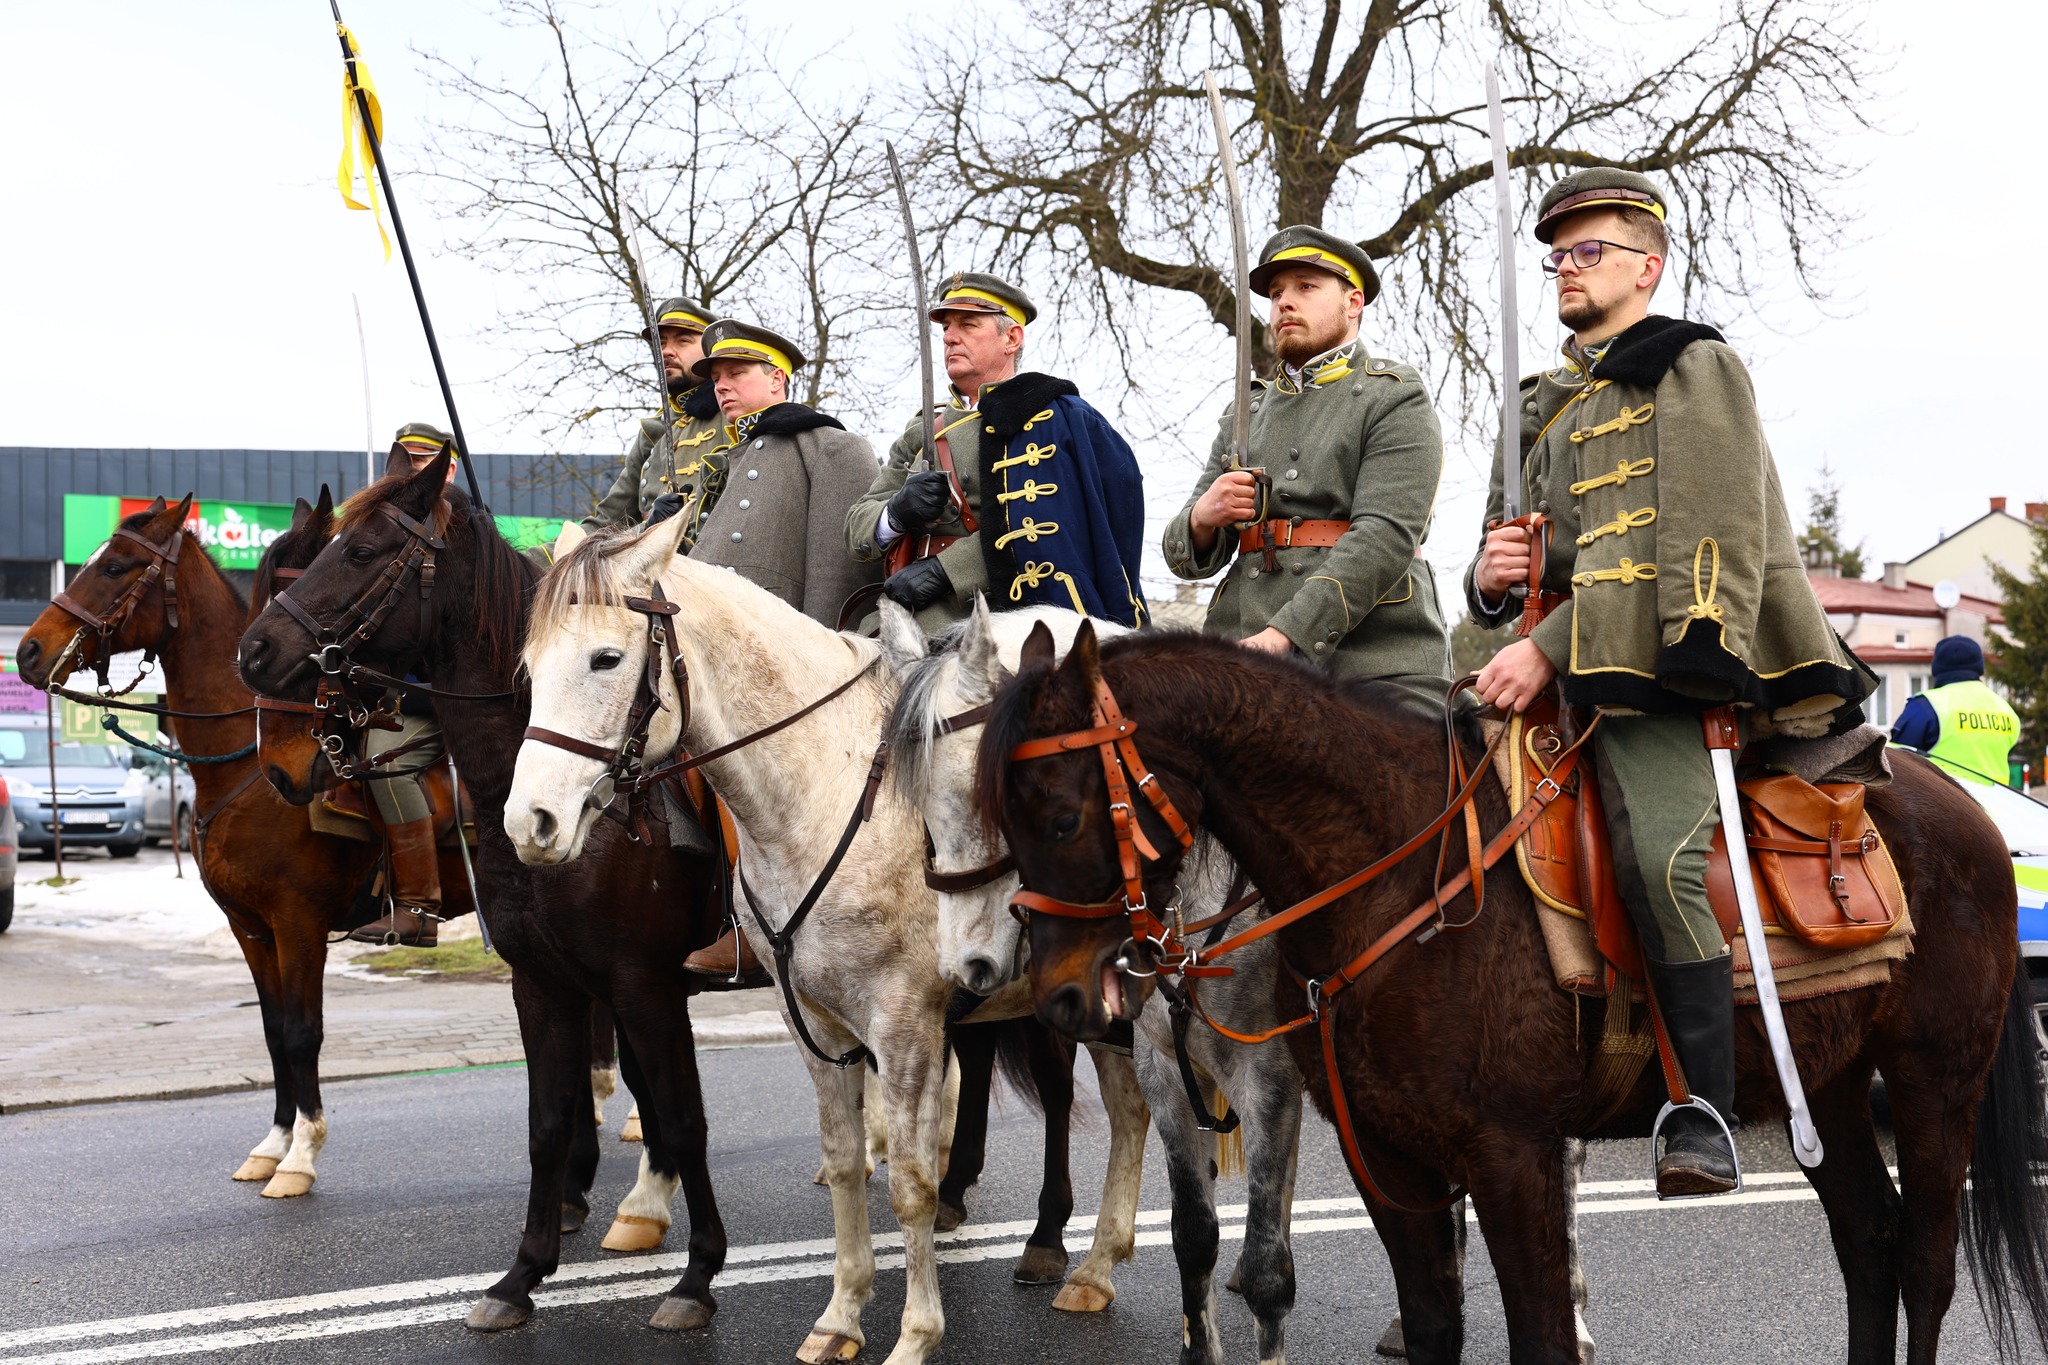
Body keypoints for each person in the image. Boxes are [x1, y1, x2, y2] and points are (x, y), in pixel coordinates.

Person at [1466, 168, 1874, 1196]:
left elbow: (1689, 539)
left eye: (1587, 250)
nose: (1566, 267)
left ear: (1645, 265)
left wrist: (1548, 646)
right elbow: (1498, 553)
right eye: (1555, 254)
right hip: (1541, 662)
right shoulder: (1539, 402)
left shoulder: (1690, 367)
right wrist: (1484, 579)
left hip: (1656, 669)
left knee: (1657, 858)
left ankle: (1697, 1105)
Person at [1160, 227, 1452, 705]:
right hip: (1240, 640)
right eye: (1276, 293)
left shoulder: (1393, 394)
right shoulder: (1246, 410)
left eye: (1305, 287)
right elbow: (1184, 558)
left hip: (1373, 655)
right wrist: (1202, 518)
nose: (1284, 303)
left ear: (1353, 303)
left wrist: (1286, 635)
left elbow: (1385, 536)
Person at [680, 318, 883, 977]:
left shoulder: (833, 448)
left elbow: (839, 569)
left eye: (736, 373)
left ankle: (750, 924)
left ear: (778, 376)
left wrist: (814, 667)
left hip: (781, 673)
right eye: (716, 376)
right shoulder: (734, 458)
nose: (723, 386)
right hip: (707, 660)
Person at [845, 272, 1148, 631]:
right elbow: (856, 528)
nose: (950, 337)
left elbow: (1050, 525)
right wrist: (895, 513)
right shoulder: (924, 428)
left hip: (992, 620)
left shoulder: (1049, 420)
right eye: (946, 329)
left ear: (1012, 338)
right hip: (898, 617)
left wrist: (948, 570)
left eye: (968, 324)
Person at [352, 422, 458, 946]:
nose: (412, 471)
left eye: (423, 461)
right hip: (385, 689)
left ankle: (419, 906)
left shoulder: (462, 528)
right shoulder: (386, 530)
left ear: (448, 469)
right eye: (405, 461)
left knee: (384, 764)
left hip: (445, 695)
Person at [581, 298, 724, 542]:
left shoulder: (731, 418)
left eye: (683, 340)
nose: (666, 351)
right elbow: (606, 524)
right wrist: (521, 560)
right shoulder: (654, 430)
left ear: (711, 351)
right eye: (662, 342)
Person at [1890, 635, 2020, 786]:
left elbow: (1895, 762)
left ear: (1937, 667)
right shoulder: (2006, 709)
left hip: (1943, 806)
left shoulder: (1927, 705)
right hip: (1997, 806)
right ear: (1979, 667)